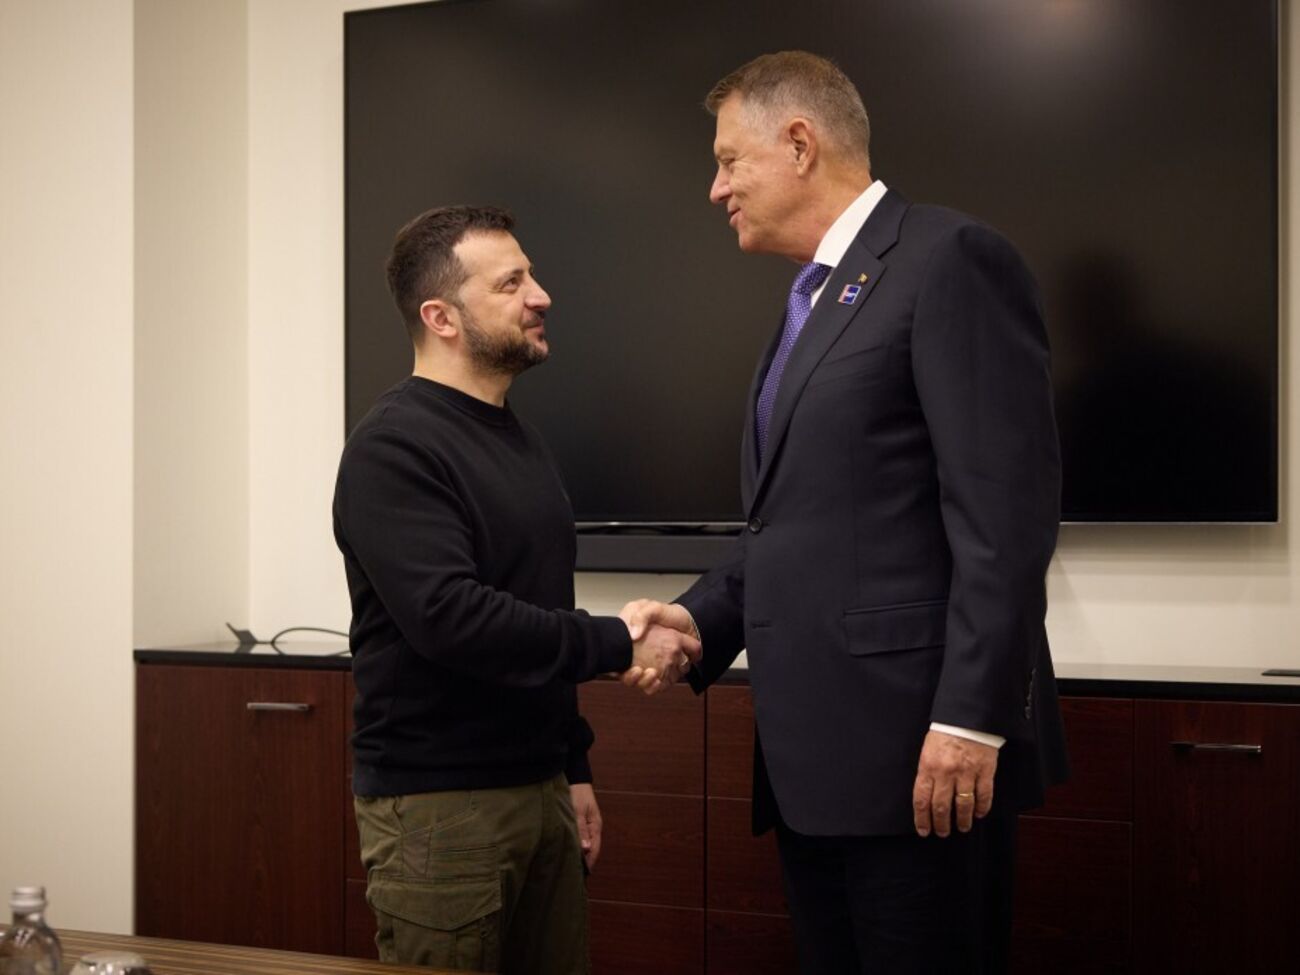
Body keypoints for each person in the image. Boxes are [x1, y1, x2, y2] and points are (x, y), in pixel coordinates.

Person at [622, 52, 1068, 974]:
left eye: (727, 160)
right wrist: (698, 619)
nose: (715, 189)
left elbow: (1005, 516)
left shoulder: (948, 260)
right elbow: (796, 521)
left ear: (798, 143)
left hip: (922, 758)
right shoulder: (808, 303)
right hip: (815, 766)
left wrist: (972, 719)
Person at [333, 204, 699, 974]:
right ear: (442, 317)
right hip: (441, 810)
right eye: (511, 282)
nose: (542, 294)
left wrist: (573, 767)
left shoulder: (520, 439)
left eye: (530, 274)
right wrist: (620, 639)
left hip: (539, 791)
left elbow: (539, 603)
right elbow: (452, 618)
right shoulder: (393, 447)